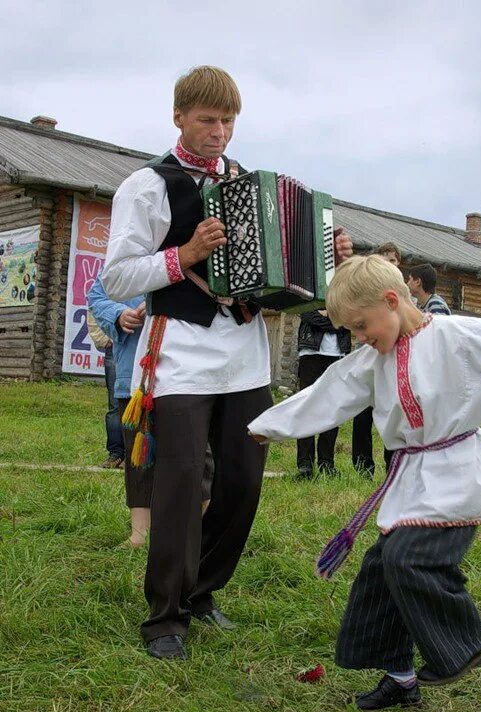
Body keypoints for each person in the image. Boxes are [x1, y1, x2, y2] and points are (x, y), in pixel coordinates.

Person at [248, 254, 481, 711]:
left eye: (360, 326)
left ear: (392, 300)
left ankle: (461, 645)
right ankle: (400, 677)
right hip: (410, 477)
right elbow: (328, 392)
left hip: (456, 473)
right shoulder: (375, 358)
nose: (359, 338)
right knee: (380, 571)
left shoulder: (457, 336)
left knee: (408, 559)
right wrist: (266, 425)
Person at [102, 65, 353, 660]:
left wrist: (326, 254)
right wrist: (182, 255)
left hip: (245, 356)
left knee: (242, 483)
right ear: (179, 118)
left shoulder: (249, 184)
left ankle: (203, 591)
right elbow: (115, 277)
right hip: (180, 354)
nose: (220, 132)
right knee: (183, 485)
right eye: (208, 120)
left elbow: (281, 275)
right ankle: (165, 617)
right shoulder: (146, 186)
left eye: (229, 121)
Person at [87, 276, 154, 547]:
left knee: (194, 455)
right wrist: (118, 315)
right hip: (134, 376)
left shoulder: (187, 250)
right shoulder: (123, 260)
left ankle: (195, 528)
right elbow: (96, 295)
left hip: (184, 377)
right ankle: (139, 535)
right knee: (138, 457)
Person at [351, 242, 401, 477]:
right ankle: (363, 465)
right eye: (385, 261)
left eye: (392, 260)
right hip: (371, 358)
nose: (389, 265)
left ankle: (394, 465)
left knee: (392, 415)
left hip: (397, 361)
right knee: (363, 415)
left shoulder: (403, 293)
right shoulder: (368, 292)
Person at [296, 309, 351, 478]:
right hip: (310, 354)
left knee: (332, 411)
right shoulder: (311, 288)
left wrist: (328, 315)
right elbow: (307, 315)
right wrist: (334, 320)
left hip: (337, 356)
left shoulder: (343, 291)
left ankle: (327, 463)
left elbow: (347, 318)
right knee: (307, 409)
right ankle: (305, 464)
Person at [86, 315, 125, 470]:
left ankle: (132, 455)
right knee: (115, 403)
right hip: (114, 345)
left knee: (138, 401)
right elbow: (93, 310)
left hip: (138, 345)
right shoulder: (104, 289)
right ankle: (116, 453)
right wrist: (104, 339)